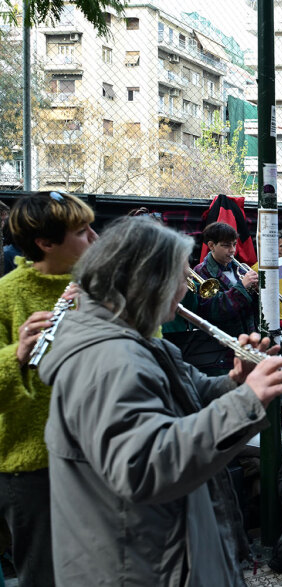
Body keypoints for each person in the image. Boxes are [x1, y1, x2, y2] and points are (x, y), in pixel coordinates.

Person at [38, 216, 282, 585]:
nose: (184, 288)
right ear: (148, 282)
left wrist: (238, 382)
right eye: (181, 276)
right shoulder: (110, 359)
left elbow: (194, 393)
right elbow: (145, 465)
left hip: (161, 549)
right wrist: (247, 401)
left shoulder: (144, 343)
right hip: (137, 565)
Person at [0, 191, 96, 586]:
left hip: (99, 455)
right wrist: (18, 355)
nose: (94, 238)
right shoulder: (9, 293)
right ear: (45, 243)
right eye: (81, 230)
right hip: (33, 465)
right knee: (45, 574)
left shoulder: (102, 287)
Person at [193, 221, 260, 372]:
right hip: (222, 349)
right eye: (226, 245)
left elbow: (253, 308)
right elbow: (214, 309)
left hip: (248, 341)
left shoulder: (240, 269)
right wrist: (242, 287)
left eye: (234, 244)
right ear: (211, 246)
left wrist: (258, 292)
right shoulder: (201, 272)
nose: (232, 250)